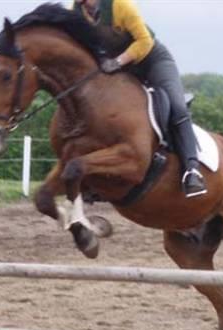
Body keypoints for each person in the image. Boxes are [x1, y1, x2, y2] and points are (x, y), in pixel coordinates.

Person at [73, 0, 207, 198]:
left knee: (177, 106)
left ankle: (192, 170)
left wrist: (117, 61)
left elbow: (145, 41)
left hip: (152, 61)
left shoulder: (120, 5)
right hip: (122, 69)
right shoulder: (77, 12)